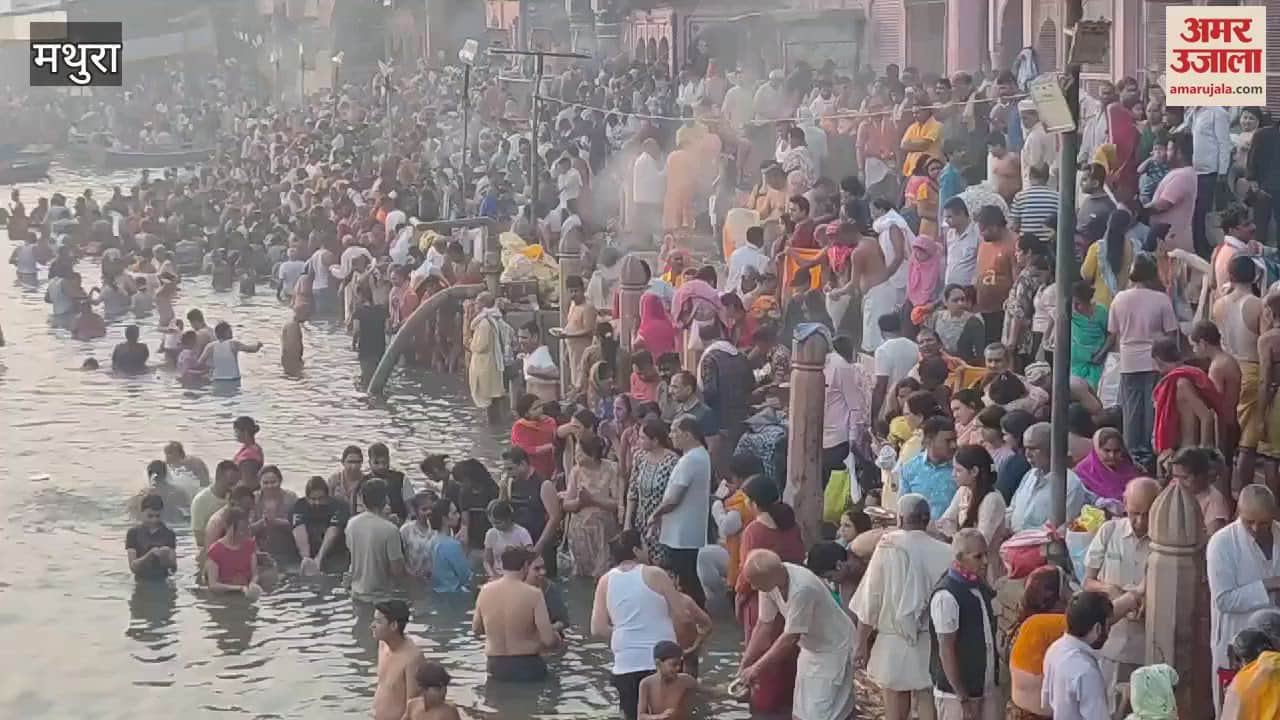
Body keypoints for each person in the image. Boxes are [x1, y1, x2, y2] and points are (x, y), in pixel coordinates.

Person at [851, 494, 952, 720]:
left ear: (900, 519)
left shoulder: (888, 546)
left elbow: (871, 600)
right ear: (927, 520)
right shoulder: (948, 551)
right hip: (932, 641)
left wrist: (860, 643)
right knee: (928, 698)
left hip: (894, 640)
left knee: (895, 706)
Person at [737, 548, 859, 720]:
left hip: (834, 647)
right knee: (801, 712)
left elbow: (790, 638)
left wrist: (757, 668)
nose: (753, 587)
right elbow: (764, 626)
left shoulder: (802, 589)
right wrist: (745, 663)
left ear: (769, 576)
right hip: (811, 648)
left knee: (822, 713)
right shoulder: (769, 582)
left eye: (755, 582)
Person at [1083, 475, 1160, 705]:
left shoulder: (1162, 542)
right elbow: (1088, 582)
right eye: (1135, 513)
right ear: (1124, 504)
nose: (1140, 521)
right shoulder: (1109, 532)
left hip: (1145, 646)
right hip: (1110, 645)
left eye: (1147, 514)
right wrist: (1110, 589)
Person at [591, 530, 684, 720]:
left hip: (625, 664)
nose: (647, 549)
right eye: (644, 545)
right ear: (635, 550)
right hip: (661, 662)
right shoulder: (656, 574)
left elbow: (598, 628)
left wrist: (625, 636)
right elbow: (683, 614)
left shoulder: (605, 581)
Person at [734, 475, 805, 715]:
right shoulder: (791, 525)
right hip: (790, 595)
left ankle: (762, 703)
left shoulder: (754, 530)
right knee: (787, 651)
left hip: (760, 598)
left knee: (761, 651)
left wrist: (738, 599)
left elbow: (746, 576)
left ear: (754, 502)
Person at [1208, 484, 1280, 709]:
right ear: (1238, 512)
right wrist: (1270, 585)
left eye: (1264, 522)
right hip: (1236, 647)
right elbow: (1224, 599)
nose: (1257, 528)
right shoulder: (1222, 543)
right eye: (1250, 522)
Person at [1109, 254, 1179, 469]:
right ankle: (1152, 453)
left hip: (1129, 359)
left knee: (1131, 409)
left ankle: (1132, 455)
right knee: (1154, 408)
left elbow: (1113, 332)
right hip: (1155, 360)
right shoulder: (1161, 299)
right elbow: (1171, 333)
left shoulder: (1119, 298)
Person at [929, 529, 1001, 720]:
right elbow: (946, 650)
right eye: (978, 557)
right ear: (960, 558)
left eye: (986, 555)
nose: (985, 562)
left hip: (983, 687)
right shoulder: (947, 595)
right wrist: (962, 697)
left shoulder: (978, 585)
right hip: (957, 695)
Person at [1214, 255, 1265, 494]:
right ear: (1255, 276)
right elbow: (1266, 346)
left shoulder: (1219, 304)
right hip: (1252, 371)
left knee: (1226, 436)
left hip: (1225, 369)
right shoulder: (1256, 304)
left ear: (1231, 276)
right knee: (1248, 442)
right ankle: (1241, 493)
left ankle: (1224, 491)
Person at [651, 415, 711, 609]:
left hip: (682, 532)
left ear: (687, 434)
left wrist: (656, 514)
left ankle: (695, 614)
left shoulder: (692, 459)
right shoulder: (697, 456)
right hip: (684, 530)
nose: (671, 435)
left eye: (675, 431)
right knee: (687, 576)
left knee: (686, 578)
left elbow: (674, 498)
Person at [473, 545, 559, 681]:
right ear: (525, 565)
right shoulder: (534, 594)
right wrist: (557, 639)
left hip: (496, 666)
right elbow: (548, 640)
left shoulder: (485, 591)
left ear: (502, 565)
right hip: (528, 664)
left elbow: (476, 629)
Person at [1008, 565, 1073, 719]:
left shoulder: (1023, 624)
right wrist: (1133, 597)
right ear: (1054, 597)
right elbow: (1093, 620)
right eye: (1067, 587)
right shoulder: (1043, 626)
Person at [937, 444, 1007, 584]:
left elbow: (980, 543)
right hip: (964, 564)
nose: (953, 475)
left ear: (974, 471)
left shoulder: (992, 499)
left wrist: (954, 534)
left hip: (986, 572)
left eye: (958, 470)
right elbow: (944, 521)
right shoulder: (963, 491)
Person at [1041, 591, 1115, 720]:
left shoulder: (1054, 649)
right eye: (1108, 626)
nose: (1108, 633)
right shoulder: (1086, 672)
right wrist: (1125, 701)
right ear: (1097, 628)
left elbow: (1046, 705)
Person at [1009, 422, 1091, 532]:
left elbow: (1058, 529)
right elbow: (1013, 509)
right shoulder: (1030, 475)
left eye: (1034, 448)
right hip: (1013, 542)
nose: (1028, 454)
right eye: (1026, 448)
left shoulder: (1069, 484)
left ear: (1052, 449)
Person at [562, 435, 622, 578]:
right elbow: (566, 505)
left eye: (580, 453)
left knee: (604, 574)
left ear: (593, 454)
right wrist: (580, 502)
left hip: (604, 531)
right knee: (582, 574)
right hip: (580, 531)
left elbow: (616, 503)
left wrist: (593, 500)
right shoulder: (576, 471)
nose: (576, 457)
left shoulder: (612, 468)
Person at [626, 419, 681, 568]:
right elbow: (632, 492)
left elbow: (674, 496)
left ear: (655, 440)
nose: (639, 441)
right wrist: (627, 522)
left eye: (643, 438)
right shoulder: (639, 457)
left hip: (662, 523)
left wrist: (659, 517)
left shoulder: (672, 461)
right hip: (641, 521)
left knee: (661, 565)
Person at [501, 445, 562, 575]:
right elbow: (503, 511)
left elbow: (555, 518)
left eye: (510, 469)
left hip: (541, 543)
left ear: (523, 464)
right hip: (520, 544)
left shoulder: (544, 484)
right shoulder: (510, 483)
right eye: (505, 469)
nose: (508, 473)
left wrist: (539, 547)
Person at [346, 479, 407, 603]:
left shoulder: (352, 524)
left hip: (356, 593)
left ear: (363, 500)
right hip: (381, 598)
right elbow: (397, 570)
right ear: (385, 500)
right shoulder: (390, 530)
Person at [1144, 132, 1198, 255]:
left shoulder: (1183, 175)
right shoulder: (1181, 173)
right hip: (1168, 238)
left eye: (1168, 150)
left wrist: (1138, 209)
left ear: (1178, 153)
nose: (1166, 154)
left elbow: (1162, 205)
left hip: (1171, 241)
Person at [371, 599, 423, 720]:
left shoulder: (413, 658)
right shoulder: (382, 645)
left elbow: (413, 707)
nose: (372, 625)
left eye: (378, 621)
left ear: (393, 625)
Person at [900, 417, 958, 523]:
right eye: (948, 441)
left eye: (955, 440)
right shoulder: (910, 468)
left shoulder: (961, 469)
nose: (954, 445)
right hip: (918, 535)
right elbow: (903, 508)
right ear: (929, 441)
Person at [974, 205, 1017, 345]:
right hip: (983, 309)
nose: (982, 234)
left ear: (994, 226)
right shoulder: (984, 244)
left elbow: (1017, 282)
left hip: (1002, 313)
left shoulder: (1014, 244)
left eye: (984, 230)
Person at [292, 475, 349, 575]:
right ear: (307, 497)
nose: (317, 502)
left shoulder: (339, 506)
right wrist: (306, 558)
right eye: (313, 499)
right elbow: (299, 530)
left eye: (321, 498)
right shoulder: (300, 505)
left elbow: (333, 531)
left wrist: (319, 558)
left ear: (327, 496)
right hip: (310, 550)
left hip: (334, 553)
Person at [1074, 427, 1143, 503]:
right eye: (1107, 450)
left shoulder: (1131, 469)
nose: (1112, 455)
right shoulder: (1083, 472)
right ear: (1097, 449)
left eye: (1117, 451)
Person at [205, 508, 261, 598]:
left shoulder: (250, 545)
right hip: (226, 597)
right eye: (238, 529)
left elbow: (255, 574)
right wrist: (240, 588)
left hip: (246, 592)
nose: (241, 533)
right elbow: (213, 585)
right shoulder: (215, 551)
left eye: (244, 529)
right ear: (227, 526)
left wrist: (253, 584)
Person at [191, 460, 238, 566]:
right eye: (230, 484)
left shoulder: (236, 497)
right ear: (218, 478)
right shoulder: (201, 501)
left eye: (236, 483)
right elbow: (199, 538)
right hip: (210, 548)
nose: (233, 488)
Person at [637, 640, 697, 720]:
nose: (678, 668)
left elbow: (708, 691)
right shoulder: (646, 684)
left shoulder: (686, 680)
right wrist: (659, 717)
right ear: (658, 663)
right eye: (674, 664)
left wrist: (718, 690)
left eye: (680, 664)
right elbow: (641, 716)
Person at [126, 494, 177, 581]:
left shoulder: (169, 533)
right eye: (150, 516)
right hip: (141, 580)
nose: (154, 520)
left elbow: (173, 569)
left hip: (162, 580)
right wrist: (149, 555)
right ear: (141, 513)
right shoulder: (133, 533)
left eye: (158, 516)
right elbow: (133, 567)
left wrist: (164, 558)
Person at [197, 321, 262, 383]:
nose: (232, 332)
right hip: (233, 380)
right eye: (230, 331)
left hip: (217, 379)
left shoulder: (210, 346)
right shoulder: (233, 344)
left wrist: (210, 367)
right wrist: (258, 345)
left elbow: (200, 362)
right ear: (226, 333)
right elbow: (251, 349)